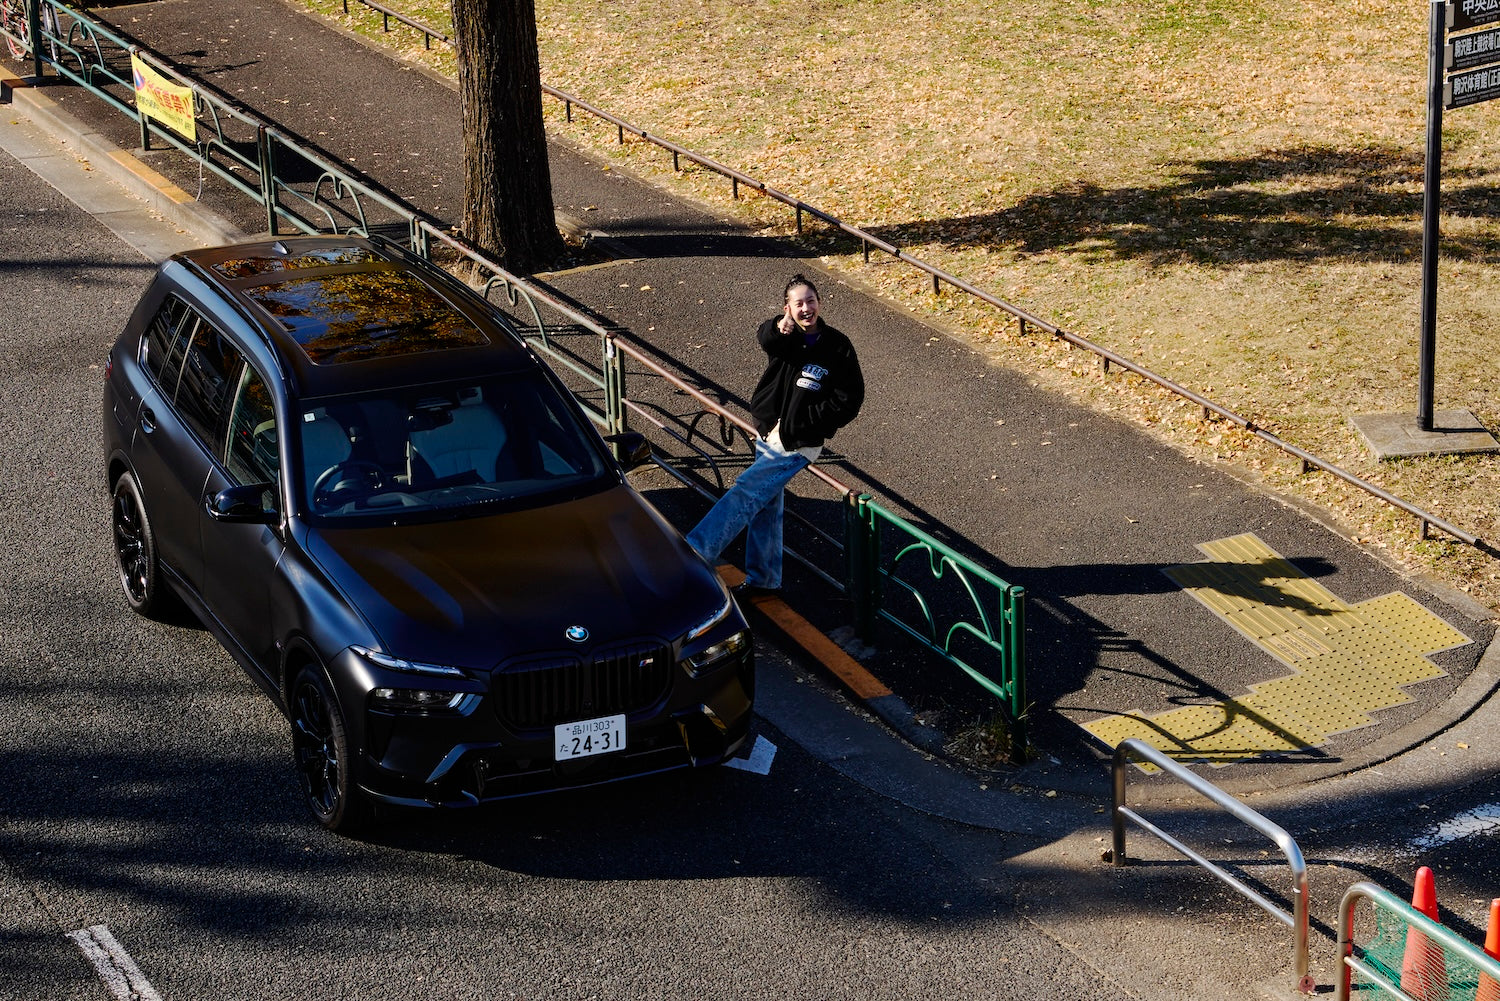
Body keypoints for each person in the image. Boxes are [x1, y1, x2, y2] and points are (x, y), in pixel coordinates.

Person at [686, 273, 865, 597]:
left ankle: (695, 553)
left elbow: (850, 399)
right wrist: (777, 326)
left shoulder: (838, 346)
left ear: (820, 303)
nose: (806, 308)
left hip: (798, 442)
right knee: (766, 505)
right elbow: (766, 338)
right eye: (799, 303)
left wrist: (806, 422)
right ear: (788, 308)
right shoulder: (787, 337)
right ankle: (764, 580)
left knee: (746, 491)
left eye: (811, 301)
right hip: (768, 431)